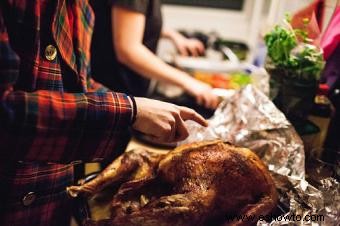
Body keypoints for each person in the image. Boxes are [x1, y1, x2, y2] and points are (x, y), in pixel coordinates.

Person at [0, 0, 208, 225]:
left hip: (52, 206)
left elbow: (81, 85)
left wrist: (137, 107)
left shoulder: (82, 10)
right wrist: (129, 111)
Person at [90, 0, 220, 109]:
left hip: (117, 94)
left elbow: (131, 20)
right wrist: (189, 82)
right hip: (112, 96)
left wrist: (174, 36)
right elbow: (128, 50)